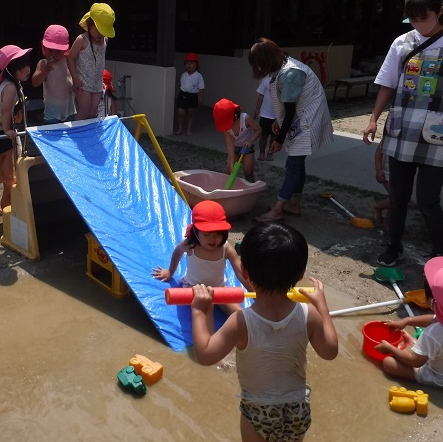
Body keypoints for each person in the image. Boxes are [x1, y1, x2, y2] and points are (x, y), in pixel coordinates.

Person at [191, 221, 339, 442]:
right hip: (297, 410)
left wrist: (201, 310)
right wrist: (322, 307)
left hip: (258, 412)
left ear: (245, 273)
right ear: (300, 274)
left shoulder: (241, 321)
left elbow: (205, 354)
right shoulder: (310, 315)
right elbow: (330, 351)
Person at [361, 0, 443, 267]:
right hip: (402, 130)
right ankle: (393, 247)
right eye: (414, 19)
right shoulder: (402, 43)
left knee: (428, 201)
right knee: (397, 198)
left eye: (425, 17)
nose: (419, 24)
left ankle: (438, 255)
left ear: (439, 12)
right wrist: (373, 119)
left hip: (437, 136)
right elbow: (387, 83)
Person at [248, 38, 334, 222]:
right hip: (300, 115)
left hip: (308, 118)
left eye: (259, 64)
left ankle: (278, 208)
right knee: (297, 162)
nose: (259, 68)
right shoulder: (281, 67)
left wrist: (278, 139)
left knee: (293, 165)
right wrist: (279, 122)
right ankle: (294, 204)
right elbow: (286, 104)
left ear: (266, 60)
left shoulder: (290, 73)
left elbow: (290, 110)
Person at [151, 200, 250, 315]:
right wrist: (169, 272)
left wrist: (256, 294)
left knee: (238, 312)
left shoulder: (226, 248)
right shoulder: (189, 245)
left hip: (217, 288)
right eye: (206, 234)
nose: (212, 239)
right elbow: (177, 252)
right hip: (194, 288)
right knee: (206, 309)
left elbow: (241, 273)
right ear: (196, 232)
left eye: (218, 234)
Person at [376, 256, 443, 388]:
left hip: (437, 377)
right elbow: (434, 318)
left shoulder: (434, 333)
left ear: (431, 301)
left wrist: (390, 348)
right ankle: (418, 347)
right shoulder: (436, 328)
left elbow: (415, 362)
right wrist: (408, 320)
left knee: (388, 363)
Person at [0, 45, 32, 211]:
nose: (27, 69)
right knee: (9, 176)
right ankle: (7, 193)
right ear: (11, 69)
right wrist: (6, 130)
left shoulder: (13, 83)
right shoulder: (9, 87)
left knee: (4, 158)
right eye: (21, 67)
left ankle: (5, 179)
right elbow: (5, 110)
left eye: (27, 65)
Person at [67, 3, 116, 120]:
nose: (100, 34)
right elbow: (70, 58)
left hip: (97, 83)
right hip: (83, 82)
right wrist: (75, 78)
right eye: (98, 29)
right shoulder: (82, 40)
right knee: (84, 112)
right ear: (89, 24)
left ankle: (88, 137)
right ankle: (78, 135)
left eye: (103, 30)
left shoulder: (105, 40)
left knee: (93, 113)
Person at [31, 24, 77, 124]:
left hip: (69, 109)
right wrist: (45, 71)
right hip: (51, 113)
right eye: (50, 51)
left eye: (58, 52)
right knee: (52, 136)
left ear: (65, 50)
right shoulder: (43, 63)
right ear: (44, 48)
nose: (53, 55)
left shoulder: (68, 61)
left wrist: (75, 85)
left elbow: (74, 77)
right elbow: (34, 82)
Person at [213, 98, 262, 183]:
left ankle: (251, 189)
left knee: (248, 172)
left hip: (247, 148)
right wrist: (231, 160)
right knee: (230, 171)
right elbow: (229, 142)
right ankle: (231, 192)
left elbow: (259, 130)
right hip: (234, 148)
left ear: (235, 116)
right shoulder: (226, 128)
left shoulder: (245, 119)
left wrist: (250, 141)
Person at [175, 52, 205, 136]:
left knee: (191, 114)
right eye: (187, 63)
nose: (189, 65)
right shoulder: (183, 75)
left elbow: (202, 87)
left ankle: (189, 129)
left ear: (196, 65)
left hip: (193, 96)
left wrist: (201, 97)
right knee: (181, 113)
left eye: (192, 63)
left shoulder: (198, 76)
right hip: (183, 95)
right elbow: (181, 85)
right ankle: (180, 129)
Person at [254, 75, 276, 161]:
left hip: (277, 116)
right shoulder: (266, 81)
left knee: (274, 136)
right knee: (263, 135)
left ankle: (270, 153)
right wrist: (257, 109)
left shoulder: (283, 83)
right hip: (265, 114)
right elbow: (261, 95)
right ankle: (262, 152)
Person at [372, 136, 391, 226]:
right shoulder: (389, 135)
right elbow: (378, 153)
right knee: (397, 198)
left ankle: (390, 223)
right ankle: (377, 208)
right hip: (387, 173)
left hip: (402, 173)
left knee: (399, 198)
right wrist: (379, 169)